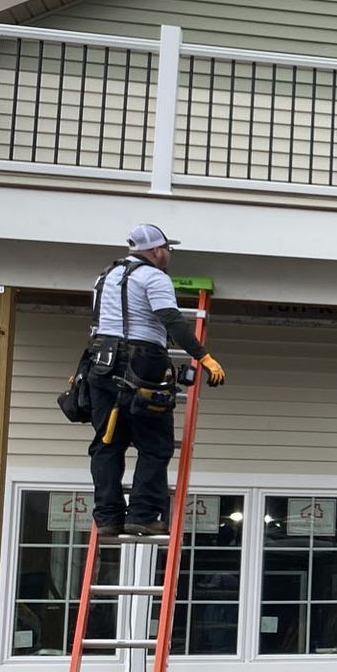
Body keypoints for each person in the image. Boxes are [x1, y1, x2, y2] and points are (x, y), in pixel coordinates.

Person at [86, 224, 226, 539]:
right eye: (167, 250)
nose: (169, 255)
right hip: (142, 362)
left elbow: (97, 321)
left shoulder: (104, 277)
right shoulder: (154, 278)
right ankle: (142, 516)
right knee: (155, 444)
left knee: (108, 442)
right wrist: (202, 357)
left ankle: (108, 518)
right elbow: (171, 319)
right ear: (156, 250)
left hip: (101, 361)